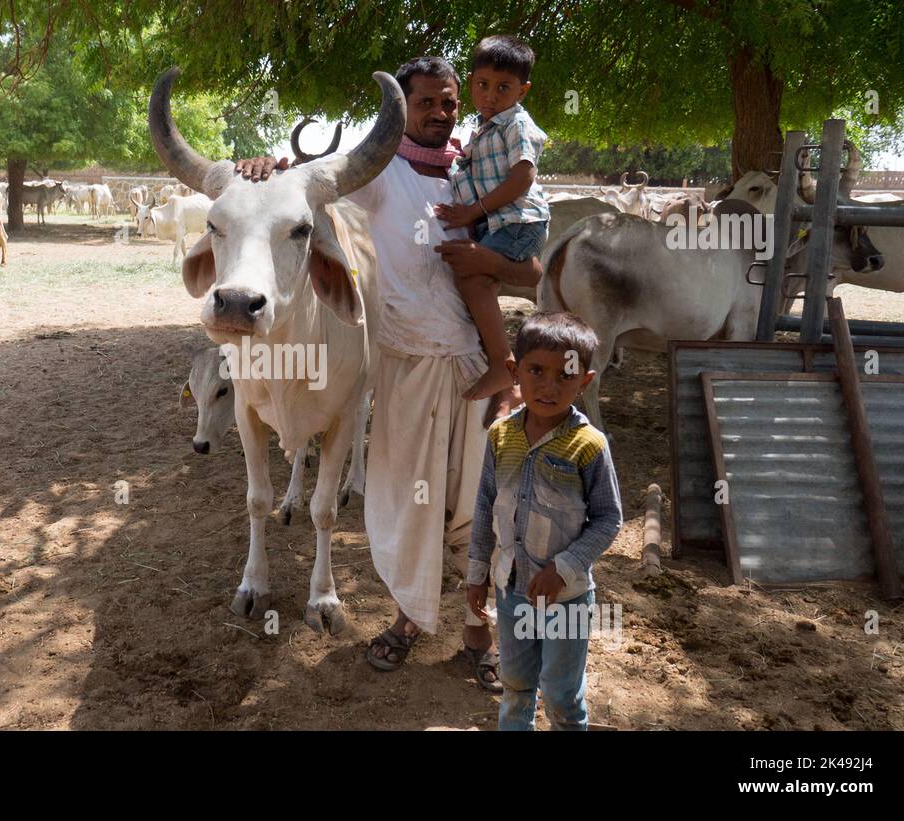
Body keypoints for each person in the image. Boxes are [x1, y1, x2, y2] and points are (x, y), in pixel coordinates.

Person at [236, 56, 541, 692]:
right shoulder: (380, 175)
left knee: (477, 502)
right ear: (402, 108)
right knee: (408, 499)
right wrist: (270, 169)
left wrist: (482, 254)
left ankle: (477, 630)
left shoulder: (476, 173)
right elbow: (308, 190)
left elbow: (530, 273)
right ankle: (406, 621)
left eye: (449, 102)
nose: (440, 112)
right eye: (426, 102)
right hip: (402, 362)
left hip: (474, 362)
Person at [465, 311, 623, 730]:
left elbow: (609, 519)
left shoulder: (589, 446)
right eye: (536, 370)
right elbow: (483, 505)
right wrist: (477, 572)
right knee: (515, 684)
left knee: (560, 693)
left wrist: (564, 568)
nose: (549, 386)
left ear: (585, 381)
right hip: (511, 588)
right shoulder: (500, 435)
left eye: (566, 375)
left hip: (565, 598)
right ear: (514, 371)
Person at [434, 35, 551, 402]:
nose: (490, 95)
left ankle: (502, 362)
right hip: (501, 224)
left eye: (504, 88)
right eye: (483, 85)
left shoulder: (516, 124)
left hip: (517, 222)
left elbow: (523, 177)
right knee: (474, 277)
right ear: (471, 83)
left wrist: (473, 211)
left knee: (472, 277)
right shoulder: (486, 127)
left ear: (523, 90)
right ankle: (496, 360)